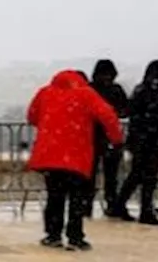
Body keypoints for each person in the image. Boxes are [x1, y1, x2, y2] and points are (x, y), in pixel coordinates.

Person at [27, 70, 123, 252]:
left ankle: (53, 235)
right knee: (77, 198)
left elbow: (32, 116)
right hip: (77, 155)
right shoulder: (86, 94)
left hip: (50, 155)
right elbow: (108, 115)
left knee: (55, 196)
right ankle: (75, 237)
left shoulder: (45, 92)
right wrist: (116, 139)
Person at [109, 60, 158, 225]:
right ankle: (143, 209)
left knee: (138, 175)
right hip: (145, 139)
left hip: (144, 138)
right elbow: (141, 113)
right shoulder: (148, 92)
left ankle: (122, 205)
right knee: (145, 176)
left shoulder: (146, 90)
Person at [88, 59, 128, 216]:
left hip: (95, 136)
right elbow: (125, 109)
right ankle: (110, 203)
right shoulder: (115, 89)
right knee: (110, 175)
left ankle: (87, 205)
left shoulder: (90, 90)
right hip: (109, 136)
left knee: (92, 174)